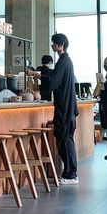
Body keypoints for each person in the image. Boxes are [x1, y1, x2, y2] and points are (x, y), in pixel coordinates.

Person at [30, 35, 78, 183]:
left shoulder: (63, 61)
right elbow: (55, 77)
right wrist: (41, 75)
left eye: (54, 43)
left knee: (64, 139)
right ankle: (69, 173)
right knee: (64, 137)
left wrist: (38, 75)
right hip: (67, 106)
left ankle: (71, 174)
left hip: (65, 107)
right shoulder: (65, 61)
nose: (52, 45)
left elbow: (53, 82)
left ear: (61, 44)